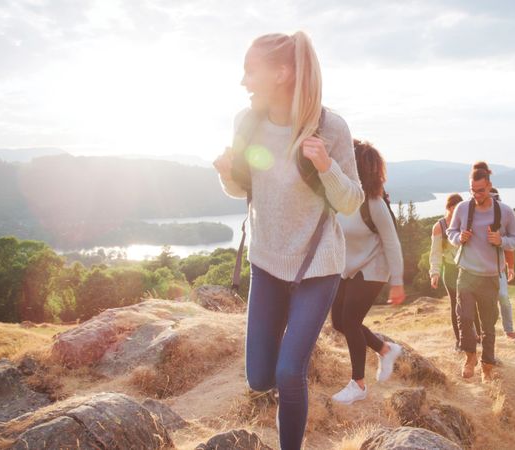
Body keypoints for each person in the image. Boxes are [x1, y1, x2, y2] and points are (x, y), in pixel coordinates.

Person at [213, 32, 363, 450]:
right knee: (260, 377)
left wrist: (326, 164)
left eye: (250, 70)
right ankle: (282, 366)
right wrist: (227, 172)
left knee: (288, 371)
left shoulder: (330, 127)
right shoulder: (248, 123)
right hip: (266, 263)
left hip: (317, 266)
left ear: (282, 73)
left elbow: (350, 201)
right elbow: (241, 189)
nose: (244, 81)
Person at [330, 139, 405, 405]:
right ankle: (386, 350)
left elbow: (392, 241)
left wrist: (397, 282)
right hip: (349, 267)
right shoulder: (340, 197)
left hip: (374, 267)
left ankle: (358, 385)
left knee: (349, 320)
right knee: (338, 321)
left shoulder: (373, 202)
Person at [446, 162, 515, 382]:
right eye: (472, 190)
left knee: (488, 325)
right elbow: (451, 232)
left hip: (490, 276)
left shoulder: (505, 211)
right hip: (467, 272)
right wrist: (458, 238)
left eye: (480, 190)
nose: (476, 194)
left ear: (489, 186)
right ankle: (470, 356)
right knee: (464, 316)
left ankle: (487, 364)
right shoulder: (463, 209)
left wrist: (501, 240)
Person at [428, 194, 482, 350]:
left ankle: (480, 336)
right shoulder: (439, 227)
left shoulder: (467, 223)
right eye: (457, 207)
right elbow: (435, 253)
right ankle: (460, 341)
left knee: (473, 303)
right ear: (450, 208)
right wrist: (434, 273)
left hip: (469, 268)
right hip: (450, 269)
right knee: (456, 305)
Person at [490, 188, 515, 340]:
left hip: (499, 267)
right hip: (478, 269)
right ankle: (484, 331)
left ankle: (508, 329)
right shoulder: (474, 217)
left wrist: (511, 266)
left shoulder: (503, 219)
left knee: (503, 297)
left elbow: (509, 245)